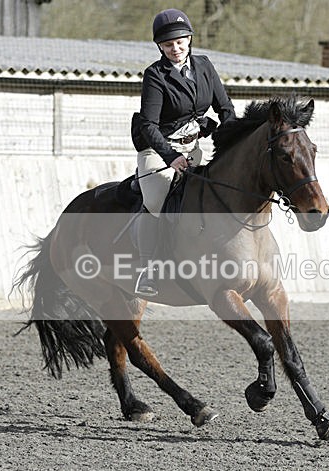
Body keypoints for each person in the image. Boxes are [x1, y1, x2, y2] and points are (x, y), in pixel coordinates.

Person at [130, 8, 237, 297]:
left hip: (193, 148)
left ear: (189, 38)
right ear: (159, 47)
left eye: (179, 42)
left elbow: (225, 108)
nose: (175, 49)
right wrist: (170, 157)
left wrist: (234, 142)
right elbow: (148, 126)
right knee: (155, 201)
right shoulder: (155, 75)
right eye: (167, 45)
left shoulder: (204, 65)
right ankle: (148, 271)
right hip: (159, 149)